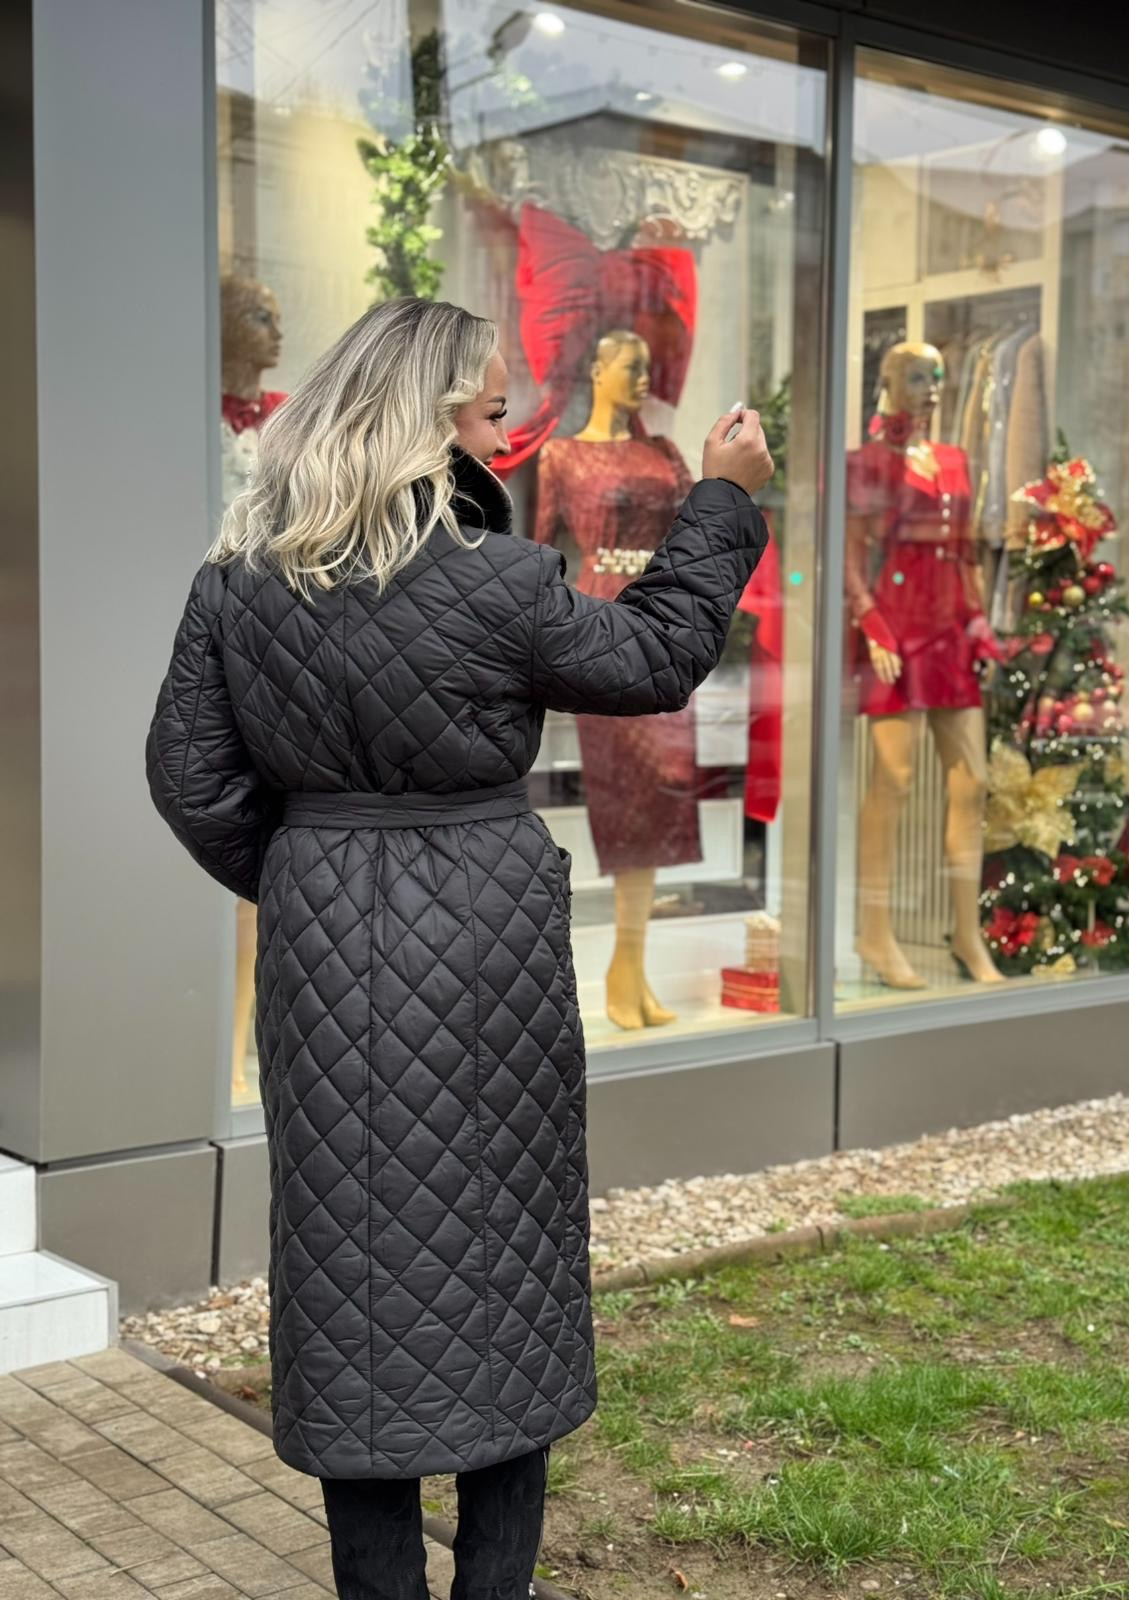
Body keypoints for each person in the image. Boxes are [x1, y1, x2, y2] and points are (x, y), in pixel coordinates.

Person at [146, 297, 771, 1600]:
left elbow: (191, 779)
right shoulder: (500, 581)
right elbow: (659, 656)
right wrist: (720, 498)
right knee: (505, 1258)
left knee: (347, 1265)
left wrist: (313, 877)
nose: (508, 413)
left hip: (323, 941)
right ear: (431, 414)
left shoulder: (239, 577)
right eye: (491, 399)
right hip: (489, 942)